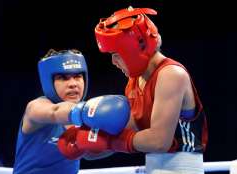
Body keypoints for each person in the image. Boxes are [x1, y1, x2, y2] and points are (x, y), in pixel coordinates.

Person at [57, 6, 209, 174]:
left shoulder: (171, 75)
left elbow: (159, 141)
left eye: (116, 54)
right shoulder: (135, 81)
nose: (114, 62)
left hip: (183, 168)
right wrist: (86, 142)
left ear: (132, 48)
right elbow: (127, 133)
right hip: (155, 167)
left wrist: (110, 142)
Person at [13, 49, 130, 174]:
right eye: (63, 78)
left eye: (77, 76)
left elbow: (89, 153)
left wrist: (115, 142)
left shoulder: (85, 116)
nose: (73, 84)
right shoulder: (36, 107)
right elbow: (55, 111)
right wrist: (88, 111)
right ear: (48, 82)